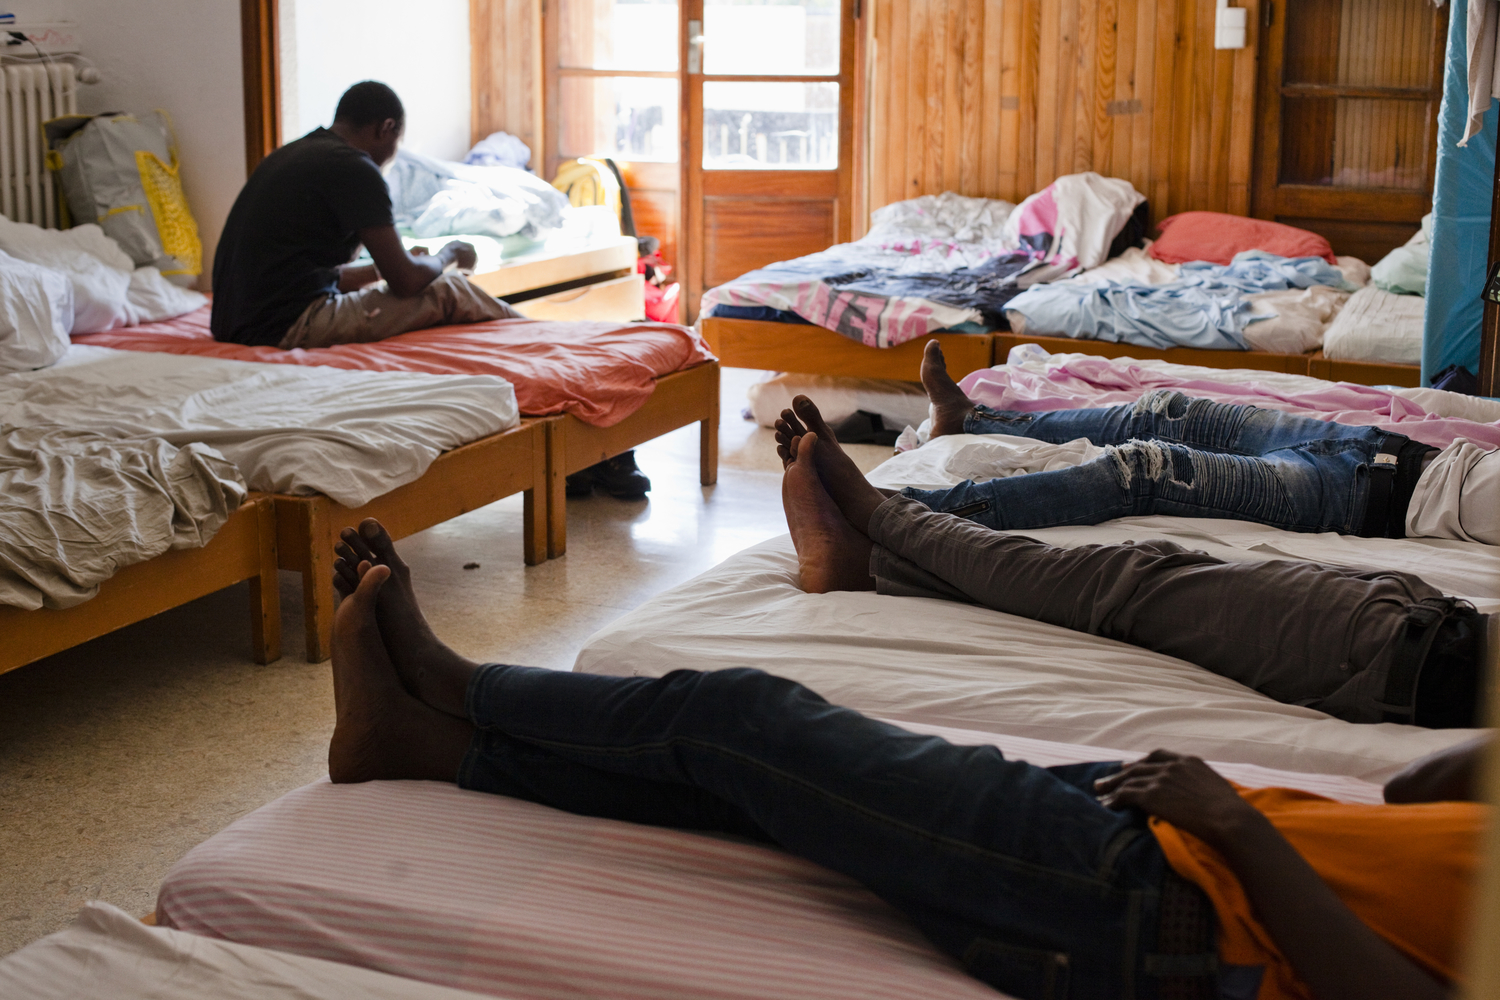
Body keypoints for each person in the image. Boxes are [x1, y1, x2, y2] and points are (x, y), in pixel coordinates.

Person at [325, 513, 1487, 1000]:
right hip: (1173, 858)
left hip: (1163, 912)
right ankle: (423, 744)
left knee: (748, 721)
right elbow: (1416, 792)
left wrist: (1235, 825)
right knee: (760, 791)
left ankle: (453, 684)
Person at [772, 390, 1486, 727]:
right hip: (1403, 498)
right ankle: (959, 441)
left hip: (1413, 639)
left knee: (1125, 569)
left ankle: (884, 521)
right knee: (1177, 415)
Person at [797, 341, 1497, 545]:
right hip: (1388, 448)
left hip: (1371, 498)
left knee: (1146, 469)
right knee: (1173, 410)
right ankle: (972, 421)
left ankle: (900, 514)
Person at [211, 80, 522, 349]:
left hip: (233, 324)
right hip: (284, 327)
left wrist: (380, 269)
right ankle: (538, 336)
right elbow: (406, 281)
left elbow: (301, 275)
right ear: (386, 128)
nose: (390, 159)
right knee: (449, 290)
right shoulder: (355, 168)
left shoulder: (289, 155)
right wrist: (449, 255)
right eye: (396, 144)